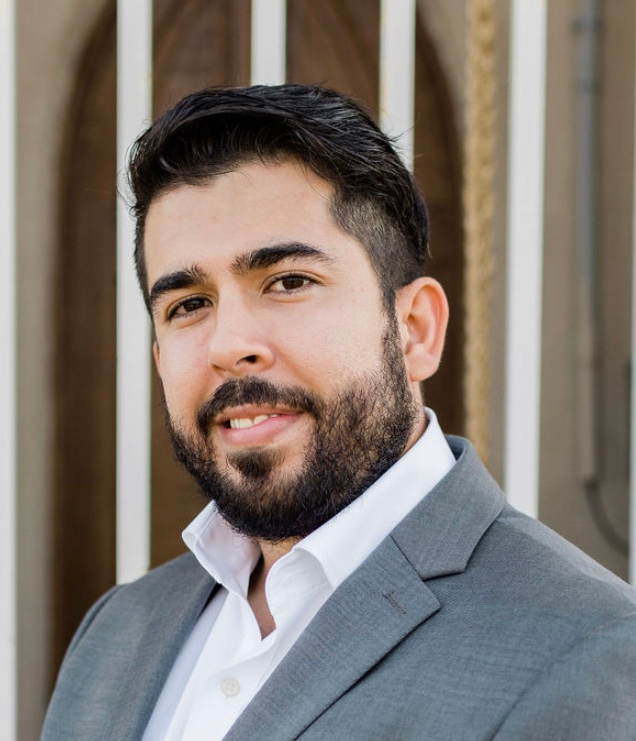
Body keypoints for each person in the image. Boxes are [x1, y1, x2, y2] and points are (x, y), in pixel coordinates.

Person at [41, 85, 636, 741]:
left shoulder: (588, 652)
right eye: (187, 304)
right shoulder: (114, 633)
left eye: (289, 281)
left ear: (414, 330)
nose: (229, 344)